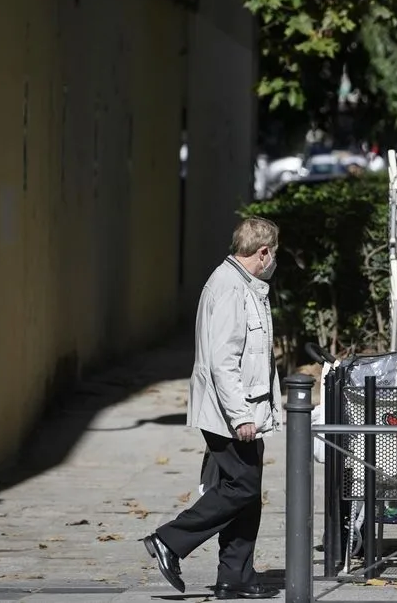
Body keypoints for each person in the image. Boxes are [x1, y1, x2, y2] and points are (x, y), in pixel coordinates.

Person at [142, 217, 282, 600]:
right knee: (242, 487)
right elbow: (223, 361)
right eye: (275, 253)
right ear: (264, 252)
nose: (275, 261)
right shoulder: (229, 287)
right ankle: (170, 540)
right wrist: (240, 416)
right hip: (231, 412)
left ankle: (234, 576)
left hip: (244, 408)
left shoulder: (245, 285)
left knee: (244, 489)